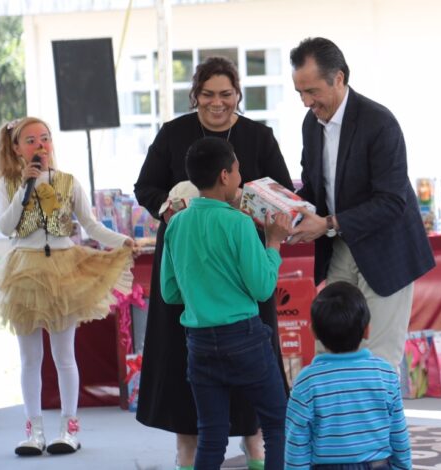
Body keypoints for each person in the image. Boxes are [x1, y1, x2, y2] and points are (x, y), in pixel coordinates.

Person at [134, 56, 293, 469]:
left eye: (226, 95)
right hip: (190, 275)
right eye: (208, 95)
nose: (217, 103)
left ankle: (252, 444)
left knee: (250, 375)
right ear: (195, 95)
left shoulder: (259, 136)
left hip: (243, 268)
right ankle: (188, 445)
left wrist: (253, 212)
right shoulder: (173, 134)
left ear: (238, 94)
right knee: (192, 381)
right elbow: (145, 187)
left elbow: (284, 193)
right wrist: (168, 210)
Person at [0, 117, 135, 456]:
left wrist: (122, 240)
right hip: (24, 271)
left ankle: (69, 427)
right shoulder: (9, 184)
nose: (40, 145)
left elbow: (91, 225)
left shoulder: (68, 182)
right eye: (30, 140)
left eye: (45, 138)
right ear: (15, 148)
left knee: (63, 354)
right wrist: (25, 189)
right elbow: (5, 226)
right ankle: (33, 429)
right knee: (29, 358)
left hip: (64, 269)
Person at [288, 37, 435, 370]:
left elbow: (392, 201)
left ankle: (380, 425)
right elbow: (314, 187)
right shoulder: (310, 125)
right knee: (329, 351)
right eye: (299, 93)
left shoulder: (379, 123)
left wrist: (326, 223)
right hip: (341, 247)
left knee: (379, 358)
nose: (306, 102)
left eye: (312, 91)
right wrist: (290, 210)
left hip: (387, 249)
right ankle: (335, 423)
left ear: (339, 78)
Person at [161, 137, 290, 470]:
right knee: (277, 425)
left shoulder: (176, 223)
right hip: (244, 339)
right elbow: (262, 289)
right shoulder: (240, 223)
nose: (240, 177)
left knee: (212, 435)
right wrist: (273, 243)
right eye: (237, 170)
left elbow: (170, 293)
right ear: (224, 175)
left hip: (199, 344)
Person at [285, 281, 411, 470]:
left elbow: (297, 442)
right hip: (377, 466)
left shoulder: (307, 381)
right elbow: (399, 434)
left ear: (314, 333)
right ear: (367, 330)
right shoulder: (385, 374)